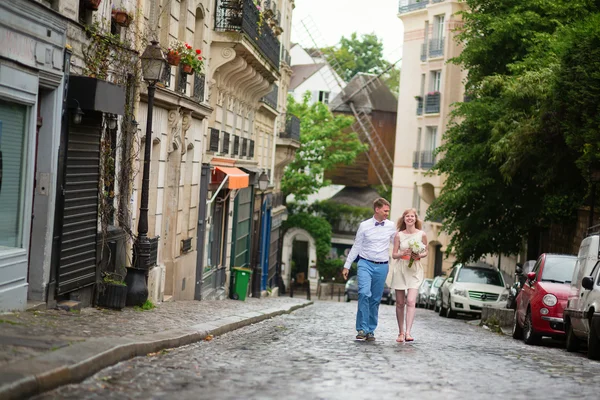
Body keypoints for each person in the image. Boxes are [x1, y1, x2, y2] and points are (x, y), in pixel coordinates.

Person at [342, 198, 396, 341]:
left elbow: (396, 243)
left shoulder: (391, 226)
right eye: (385, 211)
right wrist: (347, 265)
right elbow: (357, 246)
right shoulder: (364, 226)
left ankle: (371, 330)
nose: (387, 213)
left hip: (382, 265)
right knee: (364, 293)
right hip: (365, 263)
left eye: (388, 211)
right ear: (377, 209)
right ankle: (361, 329)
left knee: (375, 299)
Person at [389, 208, 428, 343]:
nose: (410, 218)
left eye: (412, 216)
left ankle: (408, 332)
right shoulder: (398, 235)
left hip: (415, 269)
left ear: (415, 219)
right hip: (401, 268)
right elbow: (394, 255)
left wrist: (419, 254)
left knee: (411, 301)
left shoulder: (422, 234)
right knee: (400, 303)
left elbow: (426, 251)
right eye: (407, 216)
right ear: (404, 219)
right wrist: (402, 253)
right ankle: (400, 332)